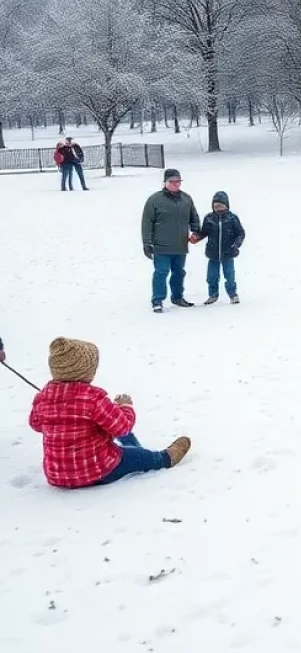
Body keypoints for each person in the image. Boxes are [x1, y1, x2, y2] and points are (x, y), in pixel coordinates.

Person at [28, 336, 190, 488]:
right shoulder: (93, 398)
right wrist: (125, 407)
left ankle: (133, 447)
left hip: (57, 476)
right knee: (141, 458)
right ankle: (166, 458)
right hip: (97, 470)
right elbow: (122, 427)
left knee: (113, 432)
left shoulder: (43, 397)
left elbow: (35, 425)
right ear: (85, 371)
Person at [141, 168, 201, 313]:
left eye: (178, 181)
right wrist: (147, 243)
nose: (175, 184)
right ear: (165, 182)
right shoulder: (154, 200)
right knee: (161, 272)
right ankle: (157, 300)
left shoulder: (186, 199)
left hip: (180, 245)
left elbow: (194, 217)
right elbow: (147, 222)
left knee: (179, 272)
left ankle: (177, 297)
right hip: (161, 246)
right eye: (172, 181)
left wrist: (196, 232)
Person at [193, 190, 246, 304]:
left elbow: (241, 233)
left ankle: (233, 294)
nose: (218, 208)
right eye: (215, 206)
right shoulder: (209, 218)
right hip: (213, 254)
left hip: (228, 253)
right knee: (211, 277)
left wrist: (236, 245)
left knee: (229, 276)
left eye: (220, 205)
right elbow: (204, 232)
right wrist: (197, 237)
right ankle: (213, 295)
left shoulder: (232, 218)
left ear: (226, 205)